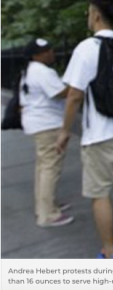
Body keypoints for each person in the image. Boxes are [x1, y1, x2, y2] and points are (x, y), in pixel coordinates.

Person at [56, 0, 113, 259]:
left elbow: (74, 95)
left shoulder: (86, 49)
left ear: (95, 14)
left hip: (100, 136)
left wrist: (64, 132)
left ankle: (108, 252)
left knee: (100, 194)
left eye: (88, 12)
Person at [19, 38, 74, 228]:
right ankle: (48, 214)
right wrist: (75, 84)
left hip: (38, 124)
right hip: (48, 124)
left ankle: (45, 205)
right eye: (46, 51)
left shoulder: (30, 71)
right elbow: (60, 93)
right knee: (50, 167)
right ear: (36, 55)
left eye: (50, 49)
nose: (51, 53)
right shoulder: (42, 71)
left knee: (43, 167)